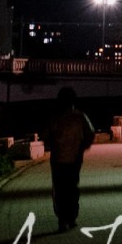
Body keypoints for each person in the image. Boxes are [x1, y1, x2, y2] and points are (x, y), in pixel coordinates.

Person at [45, 87, 96, 231]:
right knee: (72, 187)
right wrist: (83, 146)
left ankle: (62, 219)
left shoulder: (55, 118)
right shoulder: (80, 117)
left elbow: (46, 136)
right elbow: (90, 133)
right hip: (75, 158)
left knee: (60, 189)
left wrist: (53, 145)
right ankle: (71, 216)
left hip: (57, 158)